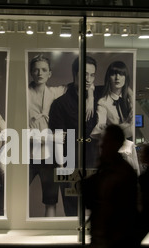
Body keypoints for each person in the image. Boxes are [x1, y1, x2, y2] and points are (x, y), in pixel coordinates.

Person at [80, 124, 138, 248]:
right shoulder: (108, 169)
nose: (100, 146)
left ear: (114, 144)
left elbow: (120, 211)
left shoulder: (121, 173)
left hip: (113, 245)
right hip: (105, 244)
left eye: (104, 142)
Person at [48, 56, 102, 216]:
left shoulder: (99, 96)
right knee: (72, 211)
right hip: (70, 160)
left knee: (97, 209)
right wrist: (61, 165)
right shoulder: (60, 104)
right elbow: (58, 138)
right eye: (85, 74)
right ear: (74, 73)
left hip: (94, 159)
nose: (88, 79)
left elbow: (123, 88)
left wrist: (91, 96)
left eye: (92, 75)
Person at [28, 54, 67, 217]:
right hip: (26, 155)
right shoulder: (23, 94)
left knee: (51, 201)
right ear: (31, 72)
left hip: (50, 157)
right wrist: (50, 138)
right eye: (36, 70)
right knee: (14, 195)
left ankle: (48, 237)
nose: (40, 73)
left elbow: (83, 85)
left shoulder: (56, 92)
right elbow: (19, 130)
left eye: (44, 70)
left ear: (50, 73)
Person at [90, 60, 134, 141]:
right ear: (108, 78)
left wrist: (131, 96)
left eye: (121, 74)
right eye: (113, 74)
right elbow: (100, 130)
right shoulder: (103, 102)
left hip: (131, 146)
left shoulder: (129, 99)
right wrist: (126, 124)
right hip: (114, 145)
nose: (117, 77)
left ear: (125, 77)